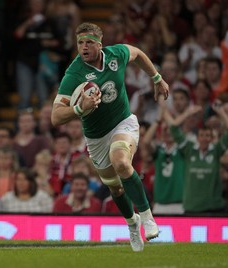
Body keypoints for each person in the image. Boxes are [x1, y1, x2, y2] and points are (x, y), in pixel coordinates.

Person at [51, 22, 169, 252]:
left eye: (88, 43)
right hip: (96, 138)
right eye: (80, 43)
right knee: (115, 188)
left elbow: (137, 53)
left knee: (121, 161)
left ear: (99, 44)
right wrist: (79, 109)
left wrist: (156, 78)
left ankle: (147, 218)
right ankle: (132, 223)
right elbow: (55, 117)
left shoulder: (116, 54)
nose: (83, 47)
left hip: (123, 122)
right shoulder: (73, 74)